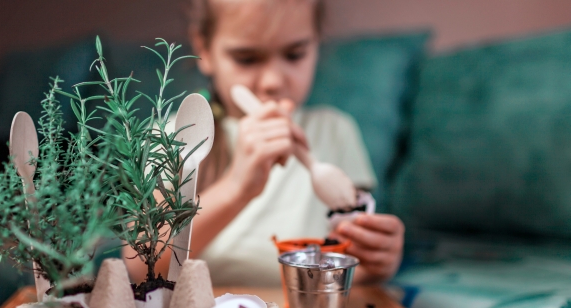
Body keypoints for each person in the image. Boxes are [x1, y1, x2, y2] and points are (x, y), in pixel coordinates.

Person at [124, 0, 404, 286]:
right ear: (205, 50)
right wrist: (237, 188)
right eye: (247, 58)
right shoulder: (175, 134)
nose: (272, 81)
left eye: (295, 54)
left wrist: (377, 263)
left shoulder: (335, 131)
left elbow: (350, 265)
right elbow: (141, 267)